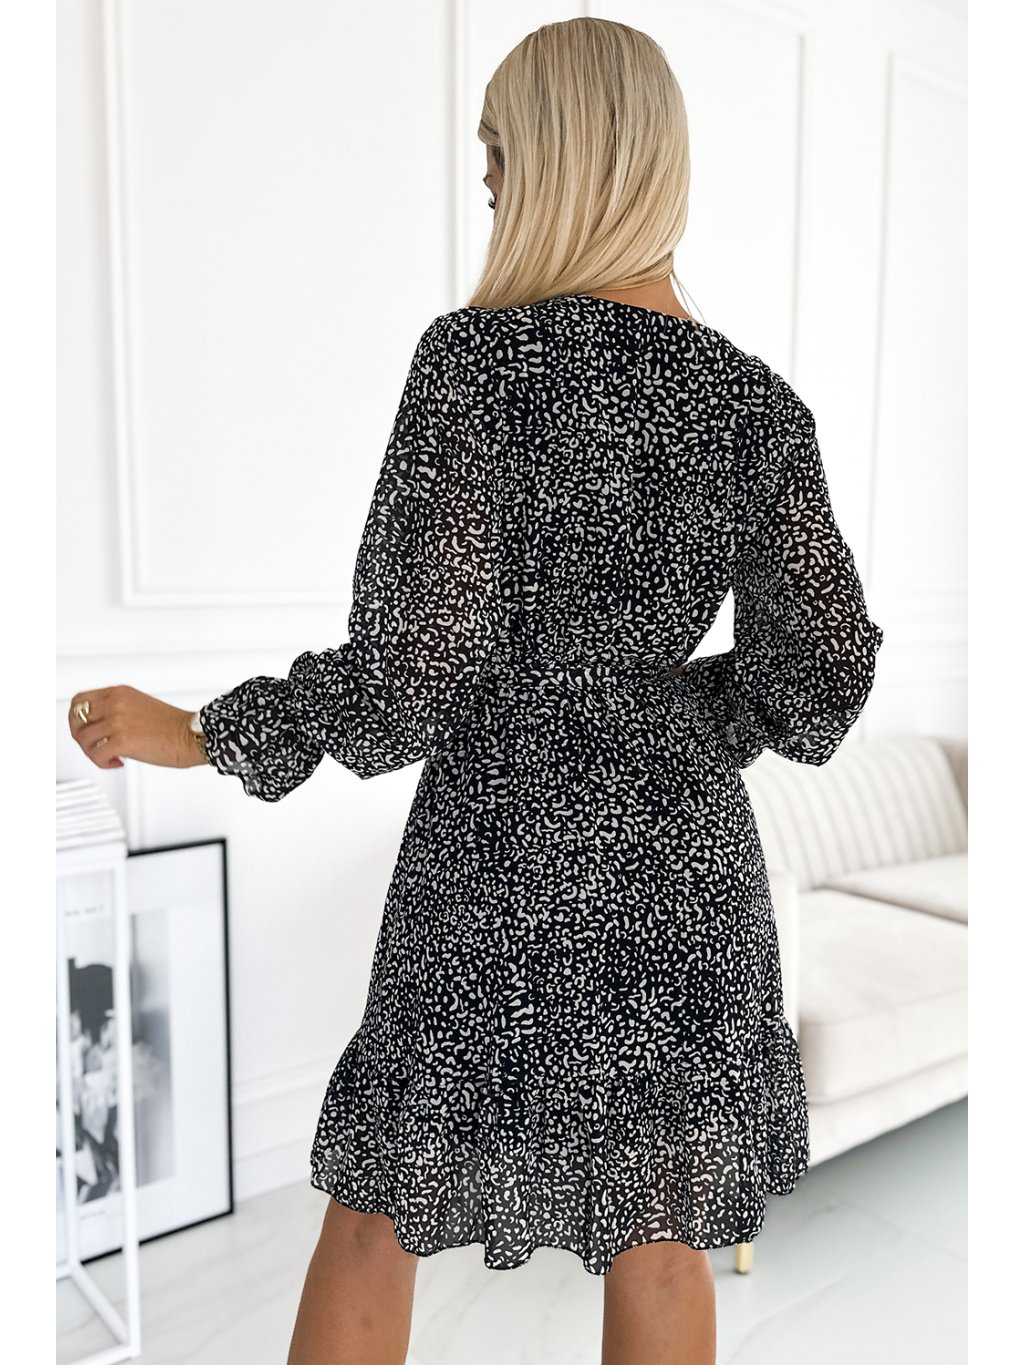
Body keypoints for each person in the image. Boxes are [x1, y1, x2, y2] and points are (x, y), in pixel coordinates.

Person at [67, 17, 884, 1365]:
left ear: (569, 159)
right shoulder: (757, 408)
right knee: (664, 1238)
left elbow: (408, 678)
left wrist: (207, 732)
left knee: (377, 1214)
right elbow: (825, 678)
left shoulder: (477, 364)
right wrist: (668, 715)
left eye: (500, 149)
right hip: (683, 867)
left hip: (495, 845)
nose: (488, 179)